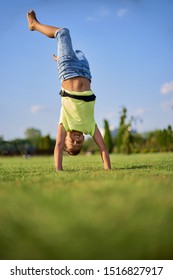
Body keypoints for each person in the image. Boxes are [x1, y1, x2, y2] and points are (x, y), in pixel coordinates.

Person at [27, 10, 111, 171]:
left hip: (68, 71)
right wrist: (108, 170)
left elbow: (58, 146)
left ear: (66, 138)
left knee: (63, 33)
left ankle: (34, 25)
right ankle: (60, 59)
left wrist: (59, 171)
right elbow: (103, 148)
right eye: (79, 143)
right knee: (79, 52)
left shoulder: (65, 123)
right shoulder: (90, 126)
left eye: (72, 142)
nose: (76, 141)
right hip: (85, 70)